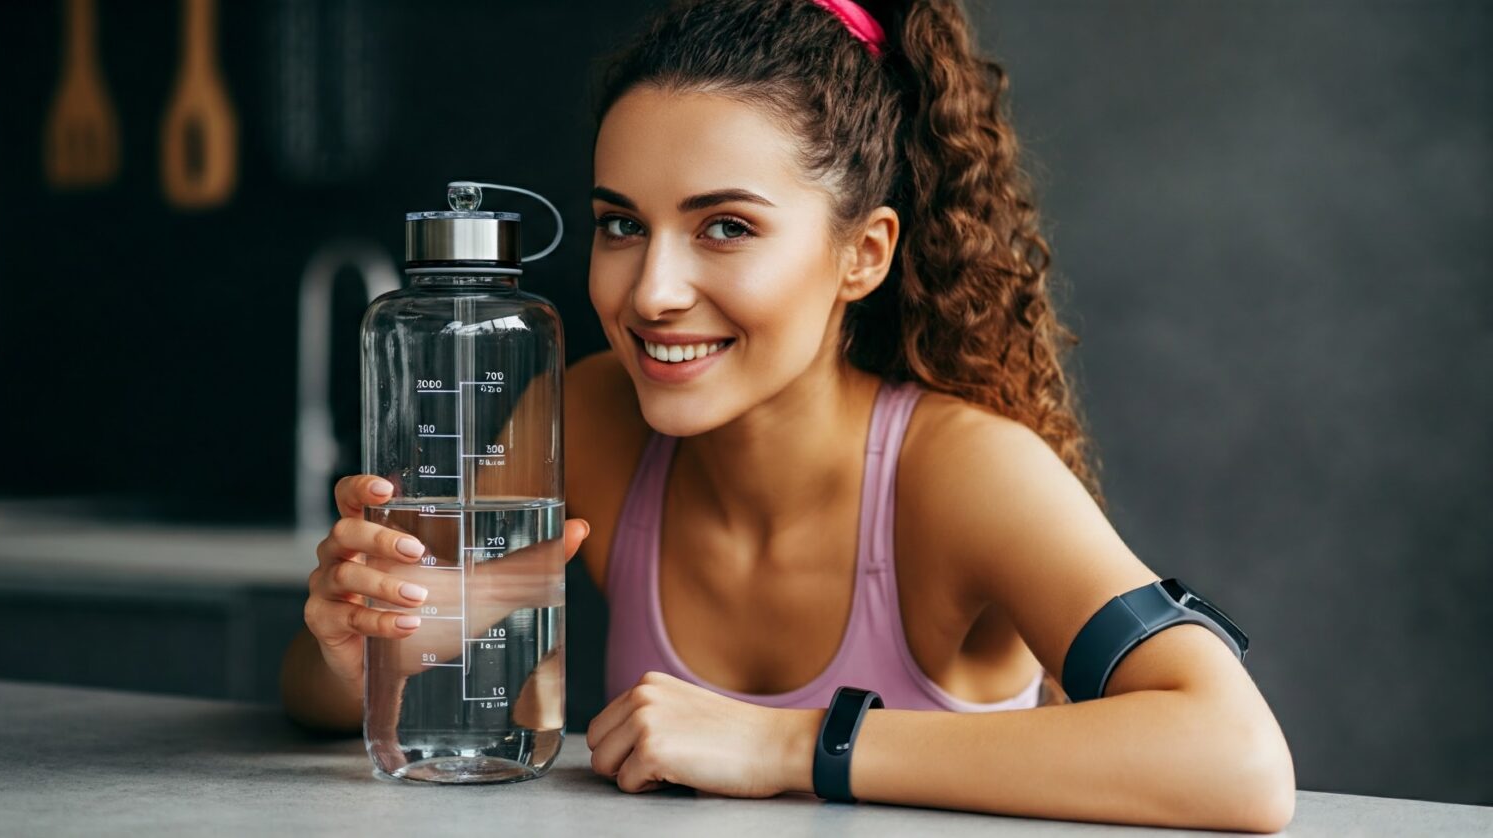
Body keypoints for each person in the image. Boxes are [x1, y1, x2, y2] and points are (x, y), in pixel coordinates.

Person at [280, 0, 1295, 830]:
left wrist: (787, 744)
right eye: (620, 224)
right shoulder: (588, 417)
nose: (651, 293)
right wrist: (353, 648)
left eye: (725, 226)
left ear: (865, 252)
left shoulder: (963, 470)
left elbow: (1238, 759)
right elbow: (375, 681)